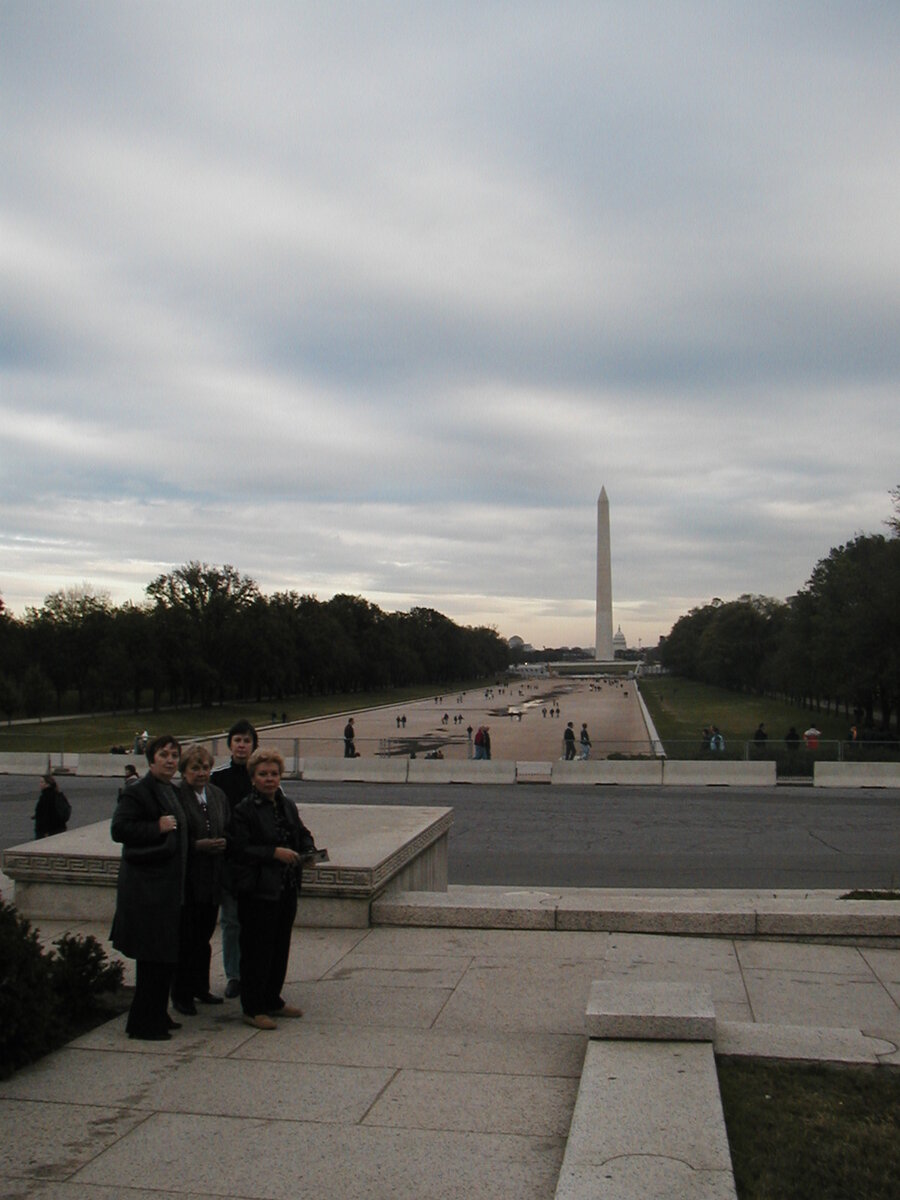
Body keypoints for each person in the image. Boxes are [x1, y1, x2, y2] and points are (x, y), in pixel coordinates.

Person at [230, 748, 317, 1030]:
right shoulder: (244, 810)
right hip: (258, 890)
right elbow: (239, 849)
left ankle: (272, 999)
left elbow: (301, 833)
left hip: (285, 887)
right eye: (263, 774)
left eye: (274, 774)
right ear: (253, 778)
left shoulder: (286, 804)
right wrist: (272, 853)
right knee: (257, 949)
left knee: (279, 946)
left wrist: (308, 850)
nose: (270, 779)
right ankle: (252, 1007)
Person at [110, 734, 187, 1041]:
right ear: (151, 759)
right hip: (148, 890)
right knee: (152, 958)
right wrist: (157, 827)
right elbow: (120, 829)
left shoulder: (171, 790)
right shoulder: (138, 791)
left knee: (165, 956)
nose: (170, 760)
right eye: (164, 755)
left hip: (169, 888)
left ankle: (158, 1013)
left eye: (174, 755)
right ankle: (143, 1023)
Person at [171, 745, 230, 1016]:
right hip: (189, 879)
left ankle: (200, 987)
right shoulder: (177, 797)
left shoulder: (217, 795)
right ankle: (181, 993)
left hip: (212, 879)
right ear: (184, 772)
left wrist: (223, 843)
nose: (201, 773)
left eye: (205, 767)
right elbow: (175, 838)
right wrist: (198, 846)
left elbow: (227, 825)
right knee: (187, 938)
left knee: (204, 936)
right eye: (195, 768)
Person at [211, 719, 258, 999]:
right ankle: (234, 975)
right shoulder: (218, 778)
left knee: (255, 921)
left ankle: (252, 970)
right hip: (229, 861)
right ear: (230, 744)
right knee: (230, 921)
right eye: (237, 740)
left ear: (254, 745)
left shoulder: (262, 773)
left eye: (246, 740)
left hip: (256, 861)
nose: (241, 745)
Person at [34, 773, 70, 839]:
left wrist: (45, 831)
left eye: (42, 782)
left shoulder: (46, 797)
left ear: (48, 784)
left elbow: (46, 814)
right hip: (60, 828)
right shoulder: (59, 794)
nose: (40, 784)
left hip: (48, 831)